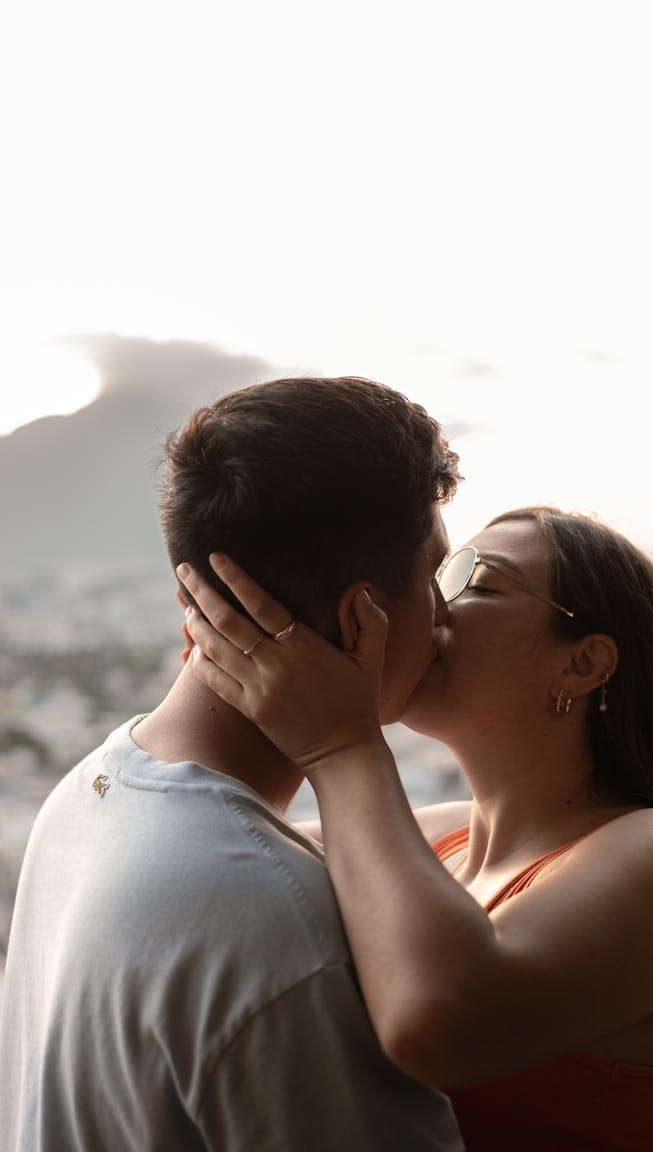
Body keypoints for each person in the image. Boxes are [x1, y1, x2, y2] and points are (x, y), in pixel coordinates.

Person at [178, 505, 653, 1152]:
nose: (431, 610)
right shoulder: (434, 840)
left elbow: (442, 1021)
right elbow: (213, 854)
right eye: (437, 580)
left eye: (477, 584)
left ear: (583, 664)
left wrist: (343, 749)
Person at [0, 377, 466, 1152]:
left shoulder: (86, 794)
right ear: (361, 621)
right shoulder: (275, 919)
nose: (448, 616)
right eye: (433, 578)